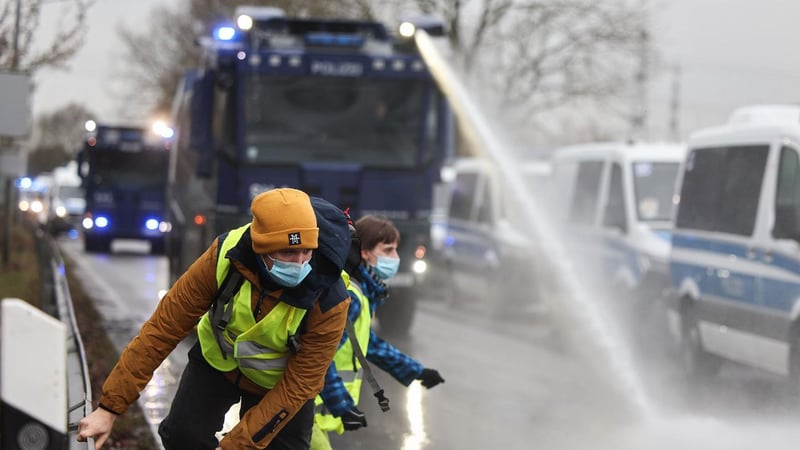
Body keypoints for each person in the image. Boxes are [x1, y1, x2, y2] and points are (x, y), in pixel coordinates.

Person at [77, 188, 353, 449]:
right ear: (260, 248)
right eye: (288, 253)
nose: (299, 263)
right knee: (183, 436)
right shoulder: (224, 255)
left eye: (307, 252)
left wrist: (235, 445)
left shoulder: (330, 297)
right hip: (217, 364)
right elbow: (164, 328)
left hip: (280, 386)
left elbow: (301, 383)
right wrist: (109, 407)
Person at [310, 214, 445, 450]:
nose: (395, 257)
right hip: (309, 408)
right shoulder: (352, 297)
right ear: (365, 252)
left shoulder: (361, 293)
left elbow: (369, 344)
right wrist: (341, 405)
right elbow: (319, 358)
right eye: (388, 250)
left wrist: (416, 371)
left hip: (316, 411)